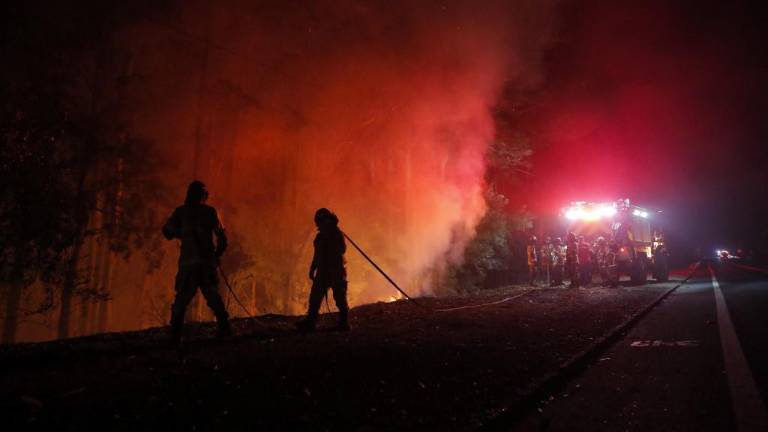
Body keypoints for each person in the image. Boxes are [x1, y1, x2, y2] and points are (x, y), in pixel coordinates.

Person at [162, 180, 231, 344]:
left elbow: (167, 232)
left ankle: (175, 336)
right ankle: (224, 329)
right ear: (204, 196)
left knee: (182, 300)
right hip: (206, 264)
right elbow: (222, 238)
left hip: (189, 265)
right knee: (213, 297)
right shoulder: (210, 212)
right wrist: (216, 255)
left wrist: (183, 233)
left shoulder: (181, 212)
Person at [296, 208, 350, 332]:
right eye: (318, 222)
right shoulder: (319, 237)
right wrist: (312, 267)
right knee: (315, 296)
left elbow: (342, 250)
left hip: (336, 270)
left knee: (340, 296)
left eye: (321, 222)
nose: (319, 225)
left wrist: (331, 239)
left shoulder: (337, 234)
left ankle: (344, 322)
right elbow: (317, 255)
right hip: (322, 272)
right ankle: (310, 322)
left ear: (327, 220)